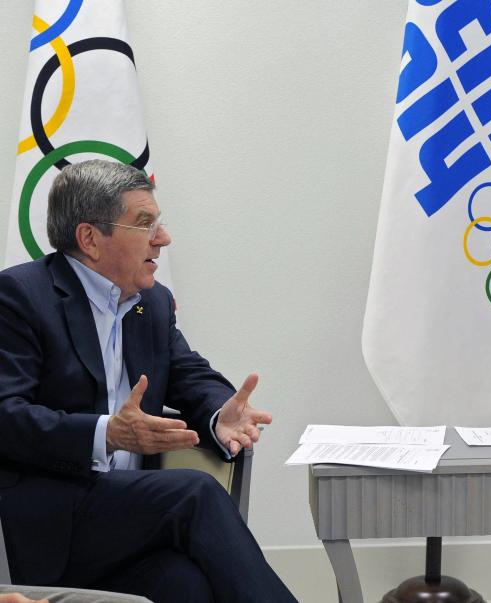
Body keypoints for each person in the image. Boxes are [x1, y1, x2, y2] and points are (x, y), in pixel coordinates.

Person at [0, 160, 296, 603]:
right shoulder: (21, 296)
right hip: (54, 520)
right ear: (89, 238)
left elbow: (187, 372)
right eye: (145, 224)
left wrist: (220, 413)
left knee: (186, 586)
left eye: (160, 224)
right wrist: (106, 434)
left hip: (129, 522)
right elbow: (7, 416)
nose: (163, 238)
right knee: (194, 492)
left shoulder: (151, 302)